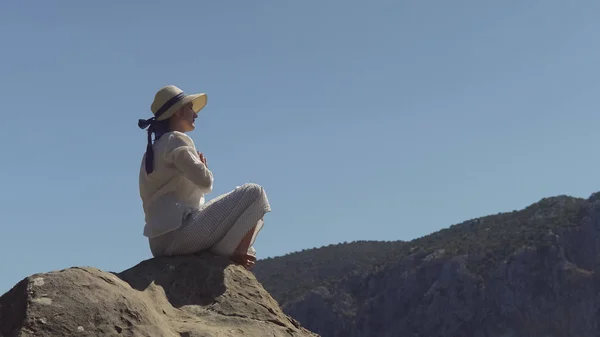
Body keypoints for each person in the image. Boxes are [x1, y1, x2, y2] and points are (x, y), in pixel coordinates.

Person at [137, 85, 271, 270]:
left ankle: (230, 252)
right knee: (255, 192)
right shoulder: (177, 139)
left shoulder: (152, 151)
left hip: (158, 242)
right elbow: (205, 182)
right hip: (179, 235)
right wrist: (203, 167)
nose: (196, 114)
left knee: (241, 217)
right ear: (177, 112)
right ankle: (237, 253)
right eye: (190, 108)